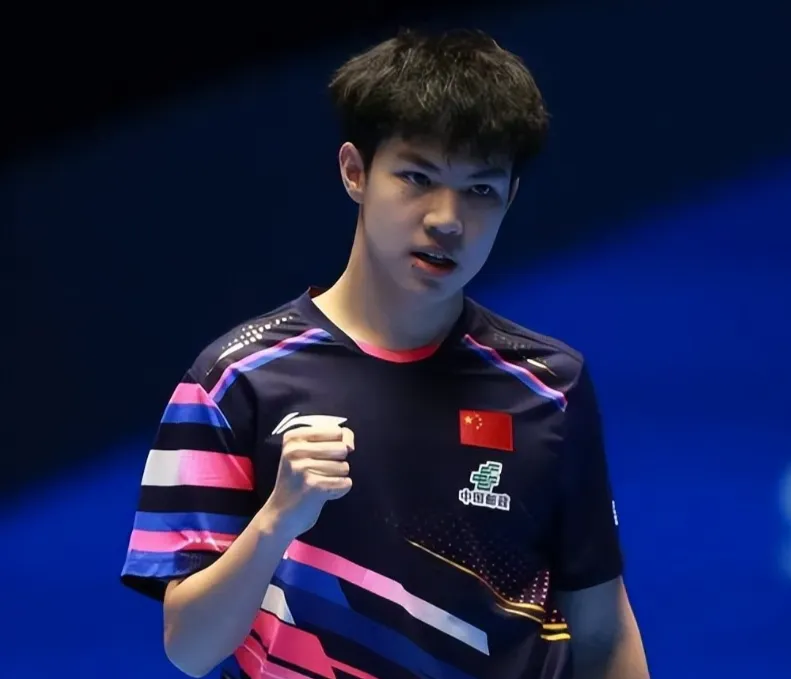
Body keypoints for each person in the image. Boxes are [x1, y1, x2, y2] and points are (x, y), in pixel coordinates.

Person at [120, 28, 650, 679]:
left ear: (510, 197)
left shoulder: (549, 387)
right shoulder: (233, 381)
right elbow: (190, 648)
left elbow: (601, 631)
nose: (447, 219)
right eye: (417, 177)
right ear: (355, 171)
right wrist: (277, 520)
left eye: (480, 189)